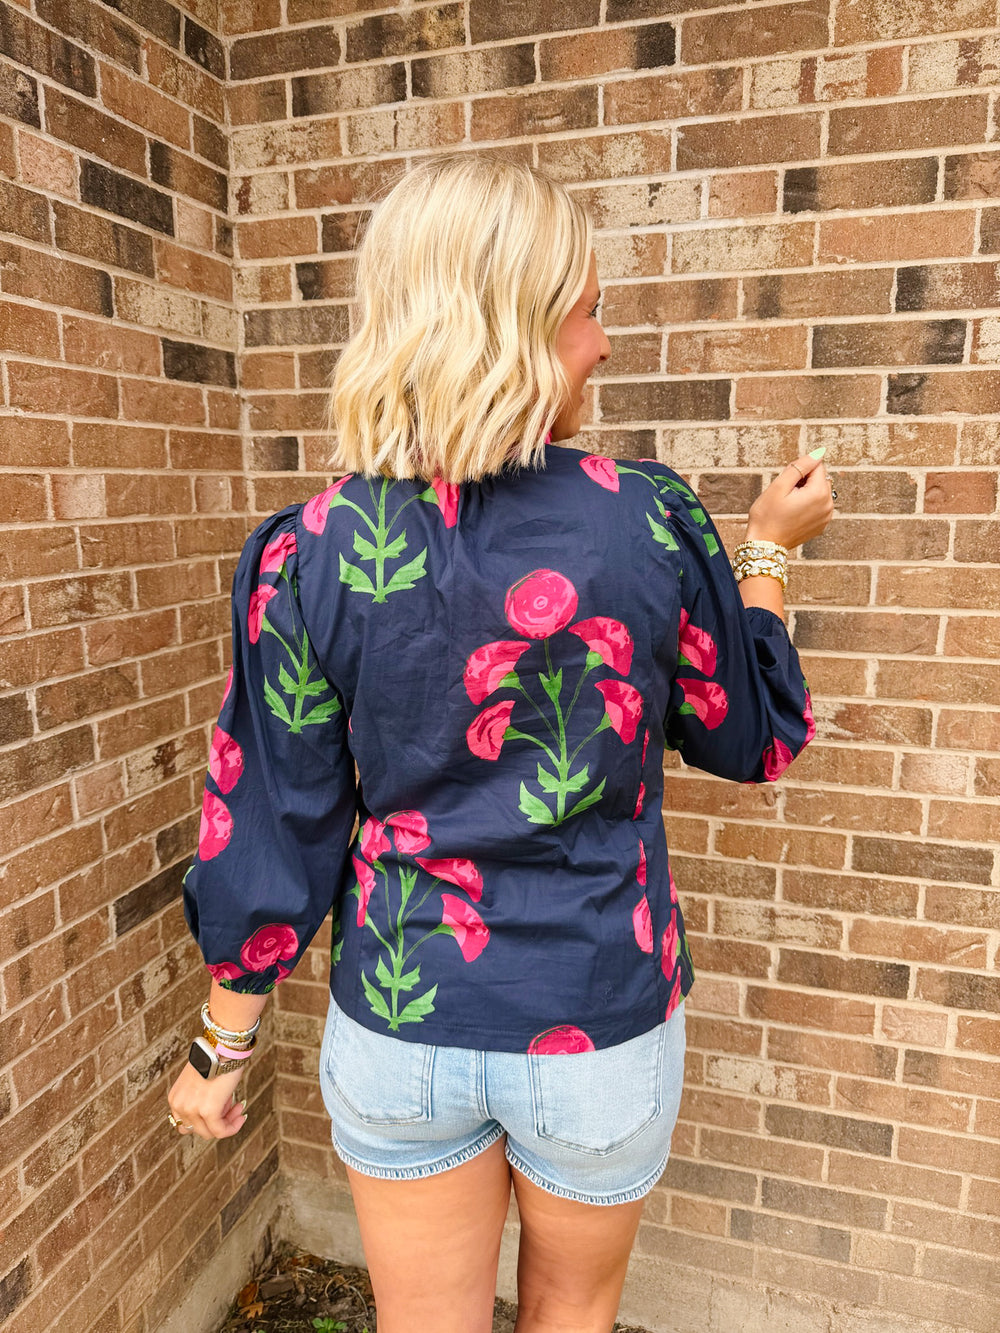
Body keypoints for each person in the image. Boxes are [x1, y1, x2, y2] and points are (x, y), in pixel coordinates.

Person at [168, 153, 834, 1333]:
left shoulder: (310, 552)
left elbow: (277, 813)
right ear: (518, 327)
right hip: (597, 1013)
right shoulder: (650, 521)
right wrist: (768, 557)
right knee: (571, 1316)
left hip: (402, 1013)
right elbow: (750, 738)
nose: (604, 344)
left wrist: (224, 1047)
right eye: (586, 310)